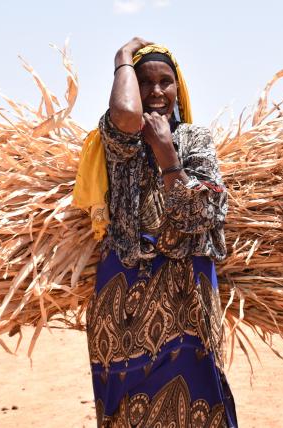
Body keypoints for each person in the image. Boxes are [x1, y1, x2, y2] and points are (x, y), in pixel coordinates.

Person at [75, 37, 237, 427]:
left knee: (200, 401)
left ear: (178, 87)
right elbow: (128, 113)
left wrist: (167, 153)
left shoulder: (195, 140)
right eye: (145, 81)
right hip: (125, 295)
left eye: (166, 81)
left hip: (186, 292)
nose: (156, 92)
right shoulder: (118, 139)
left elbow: (203, 216)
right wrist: (121, 56)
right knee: (125, 409)